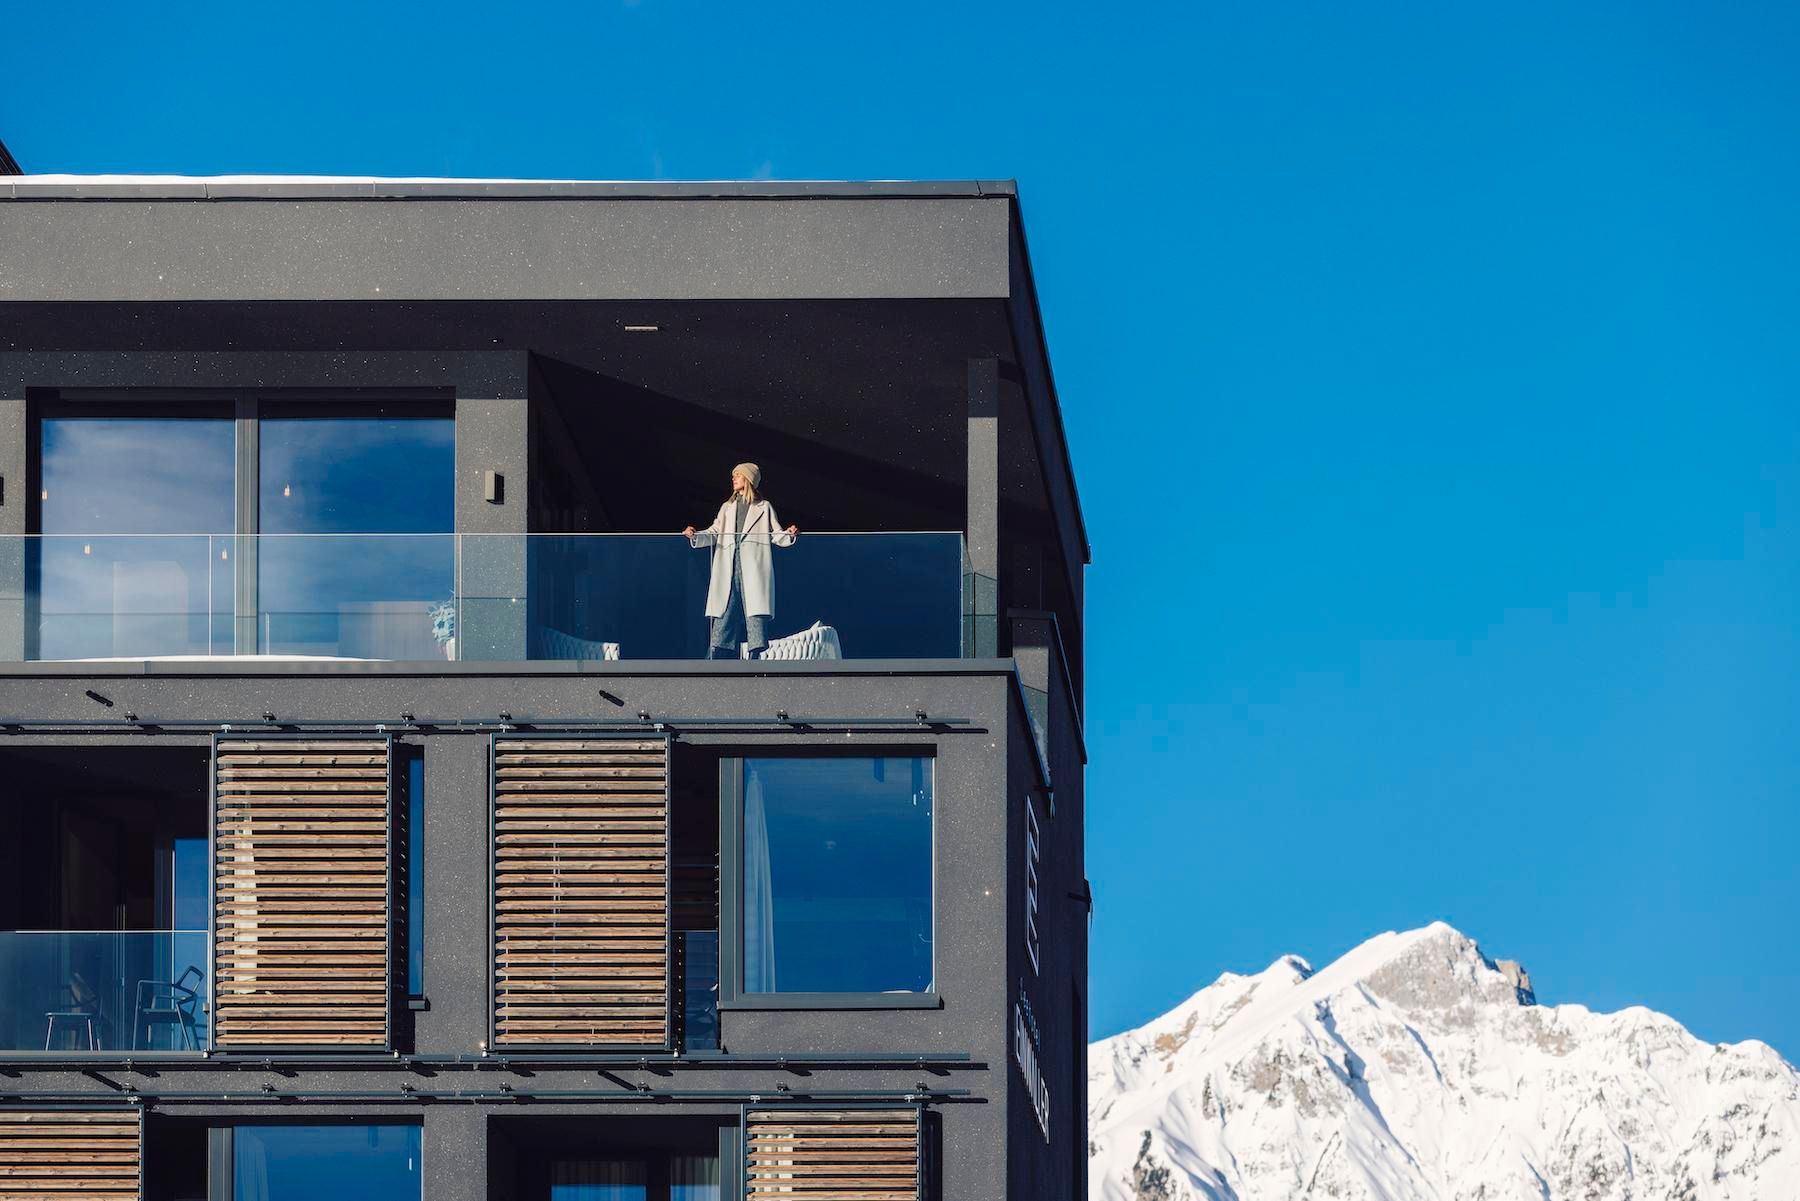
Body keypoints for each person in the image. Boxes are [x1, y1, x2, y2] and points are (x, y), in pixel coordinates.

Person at [683, 463, 799, 659]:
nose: (734, 479)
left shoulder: (764, 507)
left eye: (738, 475)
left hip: (753, 566)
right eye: (734, 476)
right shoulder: (727, 508)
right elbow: (714, 532)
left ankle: (755, 657)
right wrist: (695, 536)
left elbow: (776, 534)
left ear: (748, 479)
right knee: (725, 608)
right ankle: (714, 657)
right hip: (729, 564)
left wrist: (789, 534)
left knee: (755, 613)